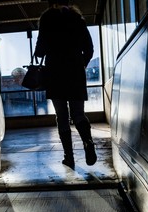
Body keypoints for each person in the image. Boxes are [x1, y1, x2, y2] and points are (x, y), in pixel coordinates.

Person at [34, 0, 96, 169]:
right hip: (75, 72)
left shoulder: (47, 20)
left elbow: (39, 50)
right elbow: (89, 49)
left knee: (61, 115)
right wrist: (80, 63)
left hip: (55, 73)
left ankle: (69, 157)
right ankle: (88, 142)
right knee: (78, 114)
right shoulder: (77, 19)